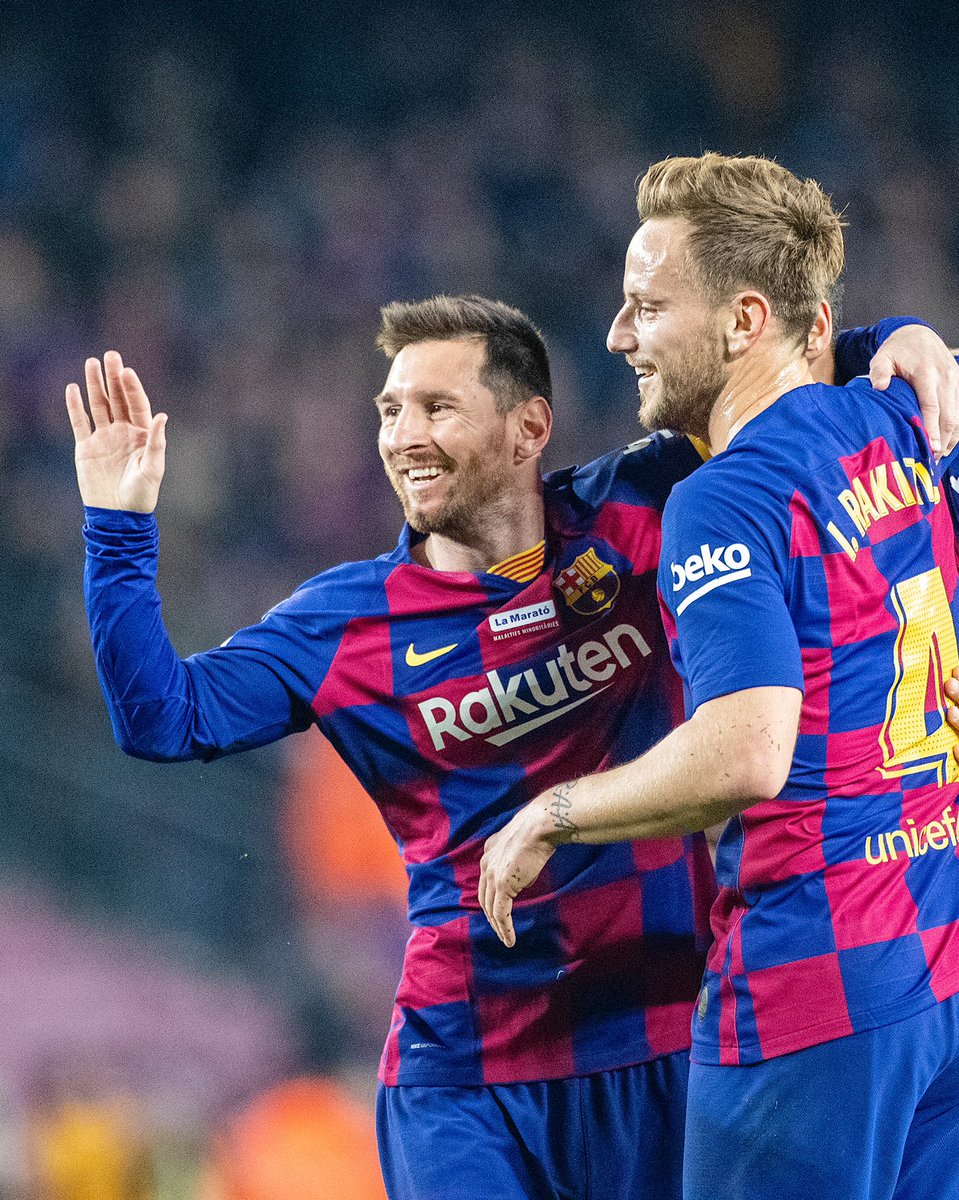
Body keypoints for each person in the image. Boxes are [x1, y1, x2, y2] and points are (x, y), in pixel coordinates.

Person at [67, 297, 952, 1200]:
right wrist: (117, 526)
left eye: (437, 408)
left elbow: (774, 387)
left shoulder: (640, 507)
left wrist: (890, 341)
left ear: (529, 427)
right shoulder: (343, 625)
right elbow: (162, 719)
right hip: (464, 1077)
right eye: (390, 411)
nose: (403, 436)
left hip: (658, 1039)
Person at [479, 154, 959, 1200]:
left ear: (743, 321)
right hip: (935, 965)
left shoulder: (724, 497)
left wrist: (553, 813)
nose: (619, 335)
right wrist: (891, 337)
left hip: (809, 992)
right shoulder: (907, 419)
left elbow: (747, 750)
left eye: (648, 307)